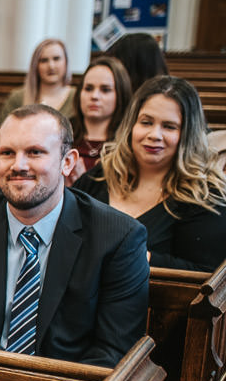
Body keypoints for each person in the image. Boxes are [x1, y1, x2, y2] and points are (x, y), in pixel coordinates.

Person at [0, 105, 149, 368]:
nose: (19, 165)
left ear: (68, 161)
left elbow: (113, 353)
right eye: (6, 153)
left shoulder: (117, 237)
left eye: (35, 152)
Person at [75, 76, 226, 273]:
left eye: (169, 126)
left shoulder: (205, 197)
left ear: (187, 134)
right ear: (131, 126)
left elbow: (204, 275)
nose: (154, 135)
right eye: (146, 122)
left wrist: (138, 256)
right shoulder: (101, 175)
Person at [66, 56, 132, 184]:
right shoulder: (62, 132)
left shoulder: (129, 142)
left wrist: (83, 184)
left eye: (105, 90)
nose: (94, 96)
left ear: (120, 94)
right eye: (88, 89)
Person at [0, 38, 77, 124]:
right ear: (35, 65)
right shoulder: (17, 98)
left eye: (56, 58)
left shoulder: (77, 97)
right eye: (44, 60)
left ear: (66, 62)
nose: (51, 66)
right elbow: (2, 129)